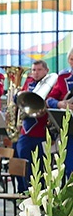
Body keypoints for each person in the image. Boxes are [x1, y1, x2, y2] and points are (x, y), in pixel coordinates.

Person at [15, 60, 57, 192]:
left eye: (39, 70)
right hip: (25, 132)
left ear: (46, 70)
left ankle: (41, 198)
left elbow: (51, 102)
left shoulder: (51, 84)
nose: (35, 73)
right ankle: (25, 193)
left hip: (42, 133)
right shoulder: (28, 83)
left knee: (40, 168)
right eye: (33, 70)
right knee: (24, 165)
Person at [46, 46, 73, 179]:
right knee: (69, 168)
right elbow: (49, 99)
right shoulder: (63, 77)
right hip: (69, 130)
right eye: (72, 59)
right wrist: (60, 104)